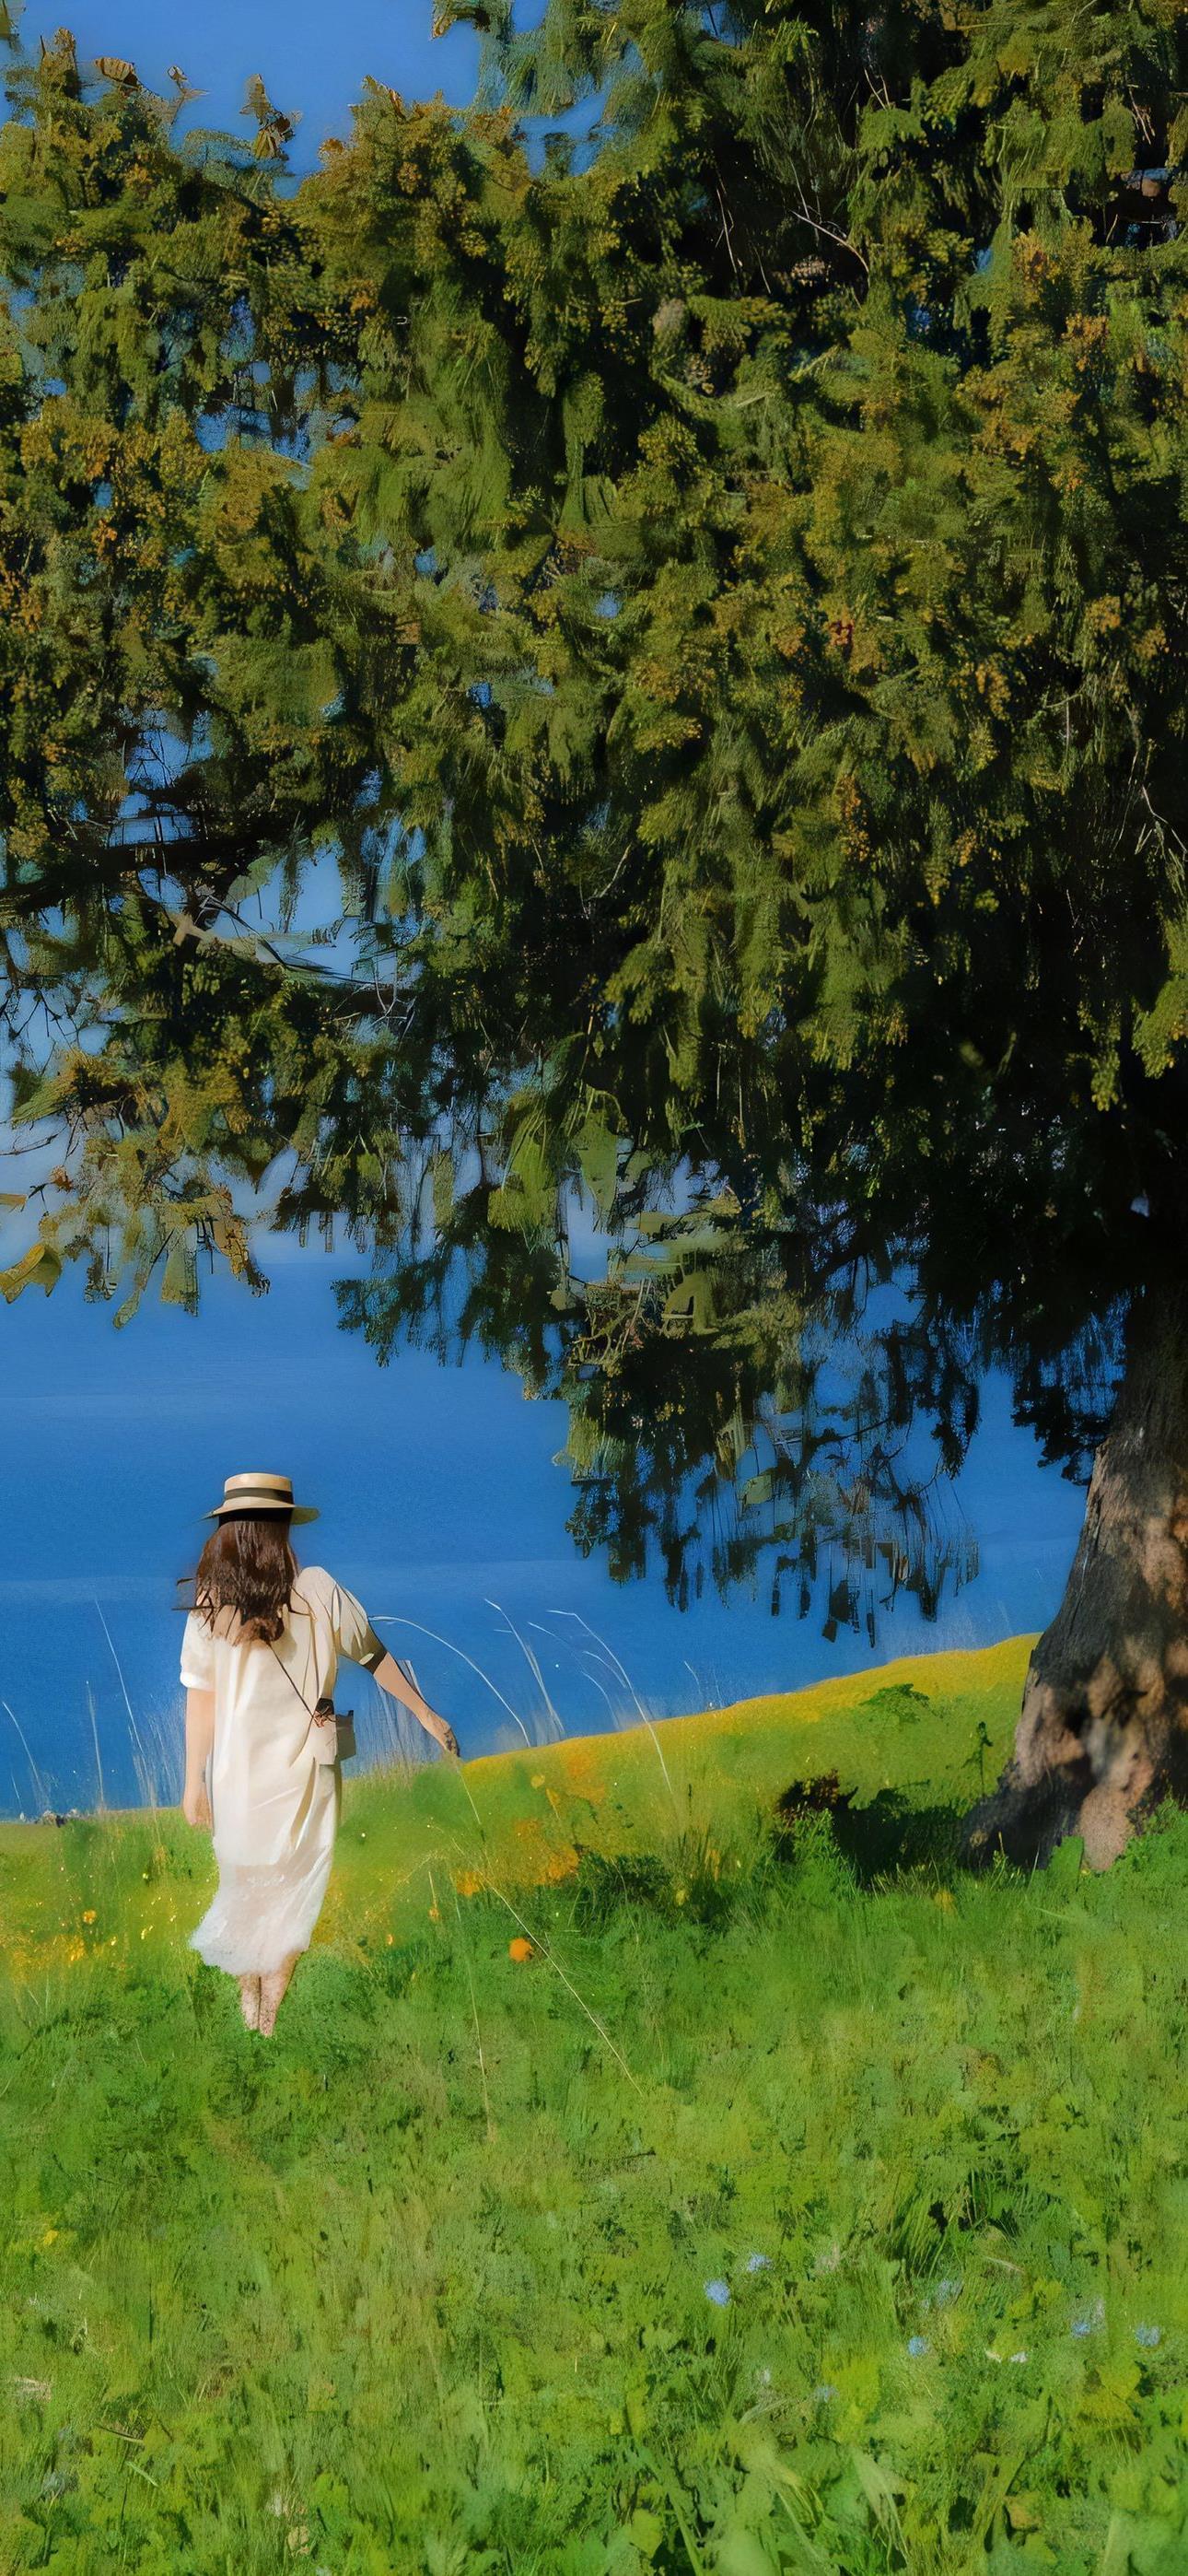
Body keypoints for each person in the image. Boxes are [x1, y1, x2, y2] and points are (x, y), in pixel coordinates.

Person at [180, 1469, 459, 2036]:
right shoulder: (321, 1590)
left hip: (237, 1779)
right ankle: (271, 2020)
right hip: (309, 1771)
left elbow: (200, 1698)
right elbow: (377, 1658)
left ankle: (250, 2016)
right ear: (282, 1528)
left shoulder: (211, 1604)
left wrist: (194, 1781)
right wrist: (426, 1715)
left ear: (229, 1531)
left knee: (245, 1888)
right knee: (295, 1892)